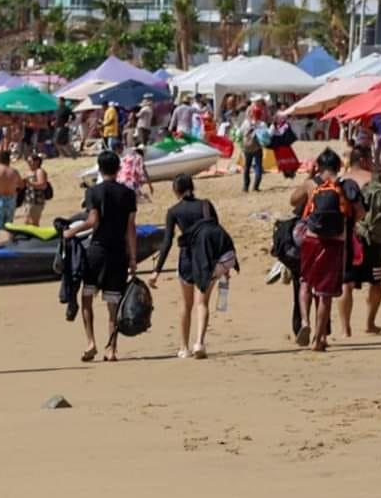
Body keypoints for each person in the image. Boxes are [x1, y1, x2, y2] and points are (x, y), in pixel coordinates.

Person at [149, 174, 237, 359]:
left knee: (186, 305)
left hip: (188, 260)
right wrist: (226, 268)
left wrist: (156, 271)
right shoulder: (206, 205)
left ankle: (183, 347)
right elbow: (216, 234)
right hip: (208, 259)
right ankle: (199, 343)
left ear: (176, 191)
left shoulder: (173, 211)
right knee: (202, 303)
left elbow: (167, 243)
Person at [62, 150, 137, 362]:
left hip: (97, 250)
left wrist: (72, 231)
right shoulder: (128, 193)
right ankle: (112, 349)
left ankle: (91, 342)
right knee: (113, 303)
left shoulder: (94, 192)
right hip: (118, 252)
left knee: (87, 298)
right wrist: (132, 257)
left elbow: (93, 220)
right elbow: (130, 228)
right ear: (118, 168)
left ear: (99, 168)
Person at [291, 149, 364, 351]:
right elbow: (360, 212)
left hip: (312, 240)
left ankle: (305, 322)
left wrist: (309, 177)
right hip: (335, 241)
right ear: (339, 166)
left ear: (319, 166)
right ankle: (318, 339)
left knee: (305, 283)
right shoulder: (346, 185)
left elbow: (293, 200)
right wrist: (348, 224)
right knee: (325, 293)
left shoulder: (311, 184)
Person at [338, 146, 381, 336]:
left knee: (346, 284)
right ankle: (369, 323)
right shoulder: (374, 180)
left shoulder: (342, 179)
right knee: (374, 282)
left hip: (349, 237)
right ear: (365, 160)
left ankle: (345, 329)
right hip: (373, 238)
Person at [0, 150, 23, 247]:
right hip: (11, 198)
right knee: (9, 224)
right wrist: (16, 190)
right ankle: (12, 243)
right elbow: (21, 185)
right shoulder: (14, 171)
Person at [22, 153, 50, 226]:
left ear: (37, 162)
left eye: (30, 161)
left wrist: (29, 183)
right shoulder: (28, 172)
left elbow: (43, 185)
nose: (28, 163)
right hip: (28, 200)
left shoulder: (40, 171)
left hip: (37, 200)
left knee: (33, 222)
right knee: (26, 221)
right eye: (28, 161)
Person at [239, 112, 264, 192]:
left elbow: (239, 133)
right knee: (258, 167)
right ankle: (256, 187)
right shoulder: (261, 123)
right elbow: (266, 135)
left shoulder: (246, 123)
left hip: (247, 147)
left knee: (247, 167)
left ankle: (246, 187)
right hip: (257, 147)